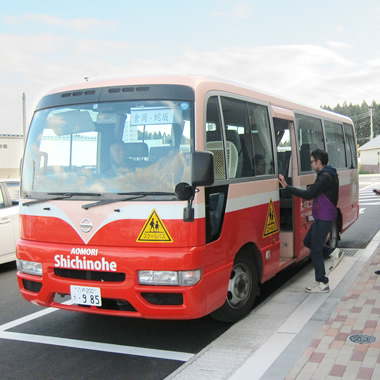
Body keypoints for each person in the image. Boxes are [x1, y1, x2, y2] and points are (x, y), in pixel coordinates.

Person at [279, 148, 344, 293]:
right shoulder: (329, 173)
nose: (311, 164)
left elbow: (309, 194)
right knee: (308, 242)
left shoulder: (324, 177)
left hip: (324, 217)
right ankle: (333, 252)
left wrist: (287, 187)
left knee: (315, 251)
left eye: (312, 162)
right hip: (323, 217)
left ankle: (322, 283)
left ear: (319, 162)